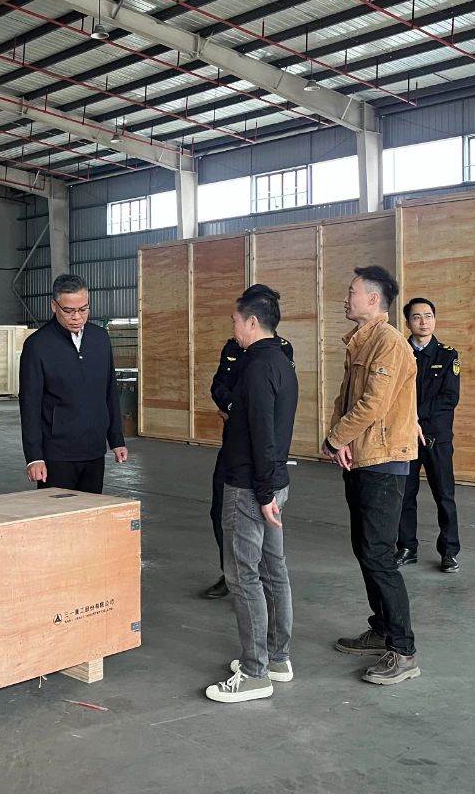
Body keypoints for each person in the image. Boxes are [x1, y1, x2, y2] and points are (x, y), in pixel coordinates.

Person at [323, 266, 421, 686]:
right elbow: (345, 399)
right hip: (363, 458)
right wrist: (341, 438)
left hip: (384, 462)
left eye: (352, 292)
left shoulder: (389, 343)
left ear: (373, 299)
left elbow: (373, 405)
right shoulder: (361, 341)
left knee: (379, 555)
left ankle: (403, 650)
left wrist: (334, 439)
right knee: (366, 550)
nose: (346, 299)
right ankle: (381, 629)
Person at [204, 284, 298, 704]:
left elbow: (262, 432)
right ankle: (277, 658)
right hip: (273, 481)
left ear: (252, 322)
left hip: (250, 486)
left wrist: (261, 492)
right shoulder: (279, 360)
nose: (233, 328)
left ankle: (256, 672)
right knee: (273, 569)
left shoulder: (258, 367)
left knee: (244, 576)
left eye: (235, 321)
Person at [201, 332, 295, 599]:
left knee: (260, 518)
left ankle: (254, 580)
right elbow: (218, 385)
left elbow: (273, 402)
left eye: (237, 320)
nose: (234, 326)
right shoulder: (232, 347)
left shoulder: (279, 350)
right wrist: (235, 407)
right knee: (220, 510)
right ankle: (231, 573)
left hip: (262, 448)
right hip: (234, 444)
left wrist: (241, 412)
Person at [18, 273, 128, 493]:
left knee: (91, 510)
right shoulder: (37, 346)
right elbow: (30, 405)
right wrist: (34, 457)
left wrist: (116, 439)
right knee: (57, 514)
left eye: (83, 309)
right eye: (69, 311)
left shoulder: (100, 339)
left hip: (94, 450)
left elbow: (110, 392)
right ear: (54, 306)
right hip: (57, 454)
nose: (77, 317)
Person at [395, 297, 462, 573]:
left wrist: (416, 418)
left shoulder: (447, 355)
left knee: (444, 495)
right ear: (407, 322)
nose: (423, 322)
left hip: (436, 437)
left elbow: (449, 397)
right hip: (404, 435)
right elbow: (393, 395)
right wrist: (409, 421)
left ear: (435, 319)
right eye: (416, 317)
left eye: (428, 316)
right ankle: (406, 547)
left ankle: (449, 551)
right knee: (404, 495)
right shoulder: (398, 353)